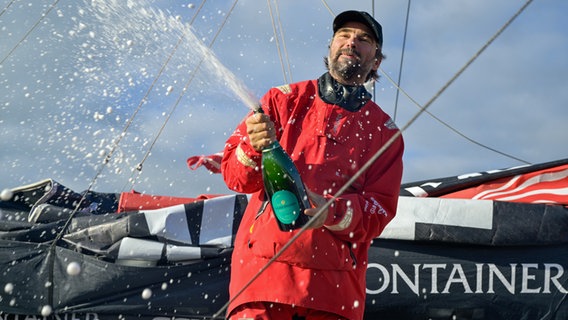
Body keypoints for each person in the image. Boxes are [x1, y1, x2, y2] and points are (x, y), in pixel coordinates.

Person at [221, 10, 404, 320]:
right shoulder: (282, 100)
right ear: (330, 47)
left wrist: (330, 212)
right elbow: (235, 177)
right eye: (343, 35)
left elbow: (378, 212)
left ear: (376, 61)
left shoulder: (386, 134)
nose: (351, 42)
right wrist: (253, 147)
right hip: (261, 286)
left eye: (364, 39)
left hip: (335, 297)